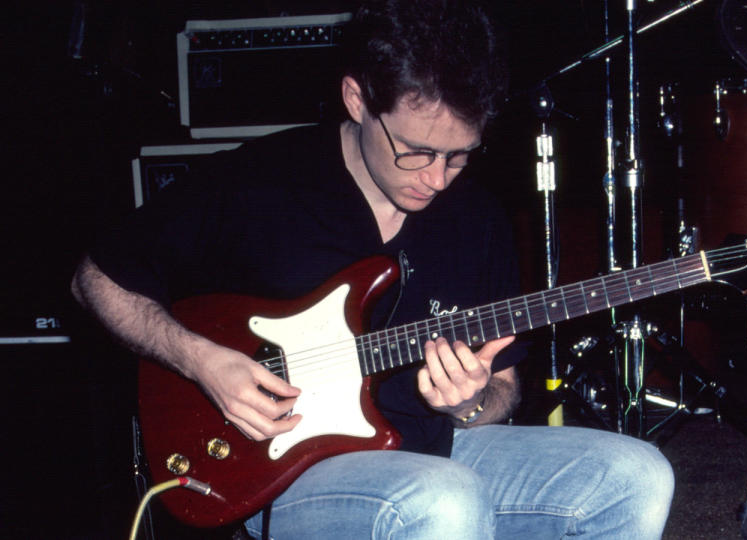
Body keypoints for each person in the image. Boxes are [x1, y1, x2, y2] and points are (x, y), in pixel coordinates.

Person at [71, 1, 674, 538]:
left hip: (433, 451)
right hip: (275, 469)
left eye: (458, 156)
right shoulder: (259, 181)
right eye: (415, 151)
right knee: (444, 502)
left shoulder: (478, 218)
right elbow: (96, 278)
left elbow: (500, 395)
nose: (435, 179)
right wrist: (202, 362)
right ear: (358, 100)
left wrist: (465, 404)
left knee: (636, 476)